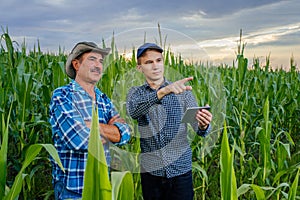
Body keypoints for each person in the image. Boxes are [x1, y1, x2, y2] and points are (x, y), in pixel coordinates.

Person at [126, 43, 213, 200]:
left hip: (180, 170)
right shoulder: (136, 93)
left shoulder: (183, 92)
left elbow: (198, 128)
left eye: (158, 60)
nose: (155, 66)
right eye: (149, 62)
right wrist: (163, 92)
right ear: (139, 68)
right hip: (151, 172)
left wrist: (203, 124)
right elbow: (134, 111)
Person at [49, 41, 131, 199]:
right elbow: (77, 140)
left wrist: (91, 126)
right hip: (72, 191)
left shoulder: (103, 99)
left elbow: (125, 134)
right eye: (92, 59)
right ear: (76, 64)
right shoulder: (62, 96)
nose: (98, 65)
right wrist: (110, 131)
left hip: (101, 186)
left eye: (101, 61)